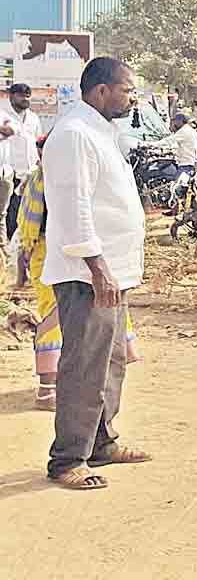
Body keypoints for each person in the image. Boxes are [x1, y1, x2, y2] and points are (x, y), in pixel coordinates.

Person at [41, 57, 150, 490]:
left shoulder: (102, 132)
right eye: (127, 89)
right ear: (101, 90)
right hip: (88, 274)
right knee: (85, 364)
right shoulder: (74, 134)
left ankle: (101, 442)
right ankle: (68, 458)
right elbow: (73, 209)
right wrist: (97, 267)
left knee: (111, 361)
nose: (132, 97)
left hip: (112, 272)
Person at [17, 135, 141, 411]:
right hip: (54, 256)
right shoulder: (45, 180)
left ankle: (78, 386)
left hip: (79, 257)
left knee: (90, 320)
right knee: (55, 319)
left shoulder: (60, 177)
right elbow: (35, 226)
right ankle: (47, 389)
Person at [1, 82, 42, 239]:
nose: (25, 99)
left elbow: (37, 142)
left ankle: (20, 242)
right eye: (21, 96)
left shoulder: (33, 118)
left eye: (27, 96)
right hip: (10, 172)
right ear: (11, 96)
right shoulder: (3, 115)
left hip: (29, 172)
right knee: (9, 213)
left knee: (25, 212)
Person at [144, 112, 197, 179]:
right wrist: (159, 152)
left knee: (178, 188)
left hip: (186, 165)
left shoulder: (184, 130)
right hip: (191, 164)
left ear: (179, 121)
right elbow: (175, 147)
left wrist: (150, 144)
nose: (174, 123)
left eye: (174, 121)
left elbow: (169, 141)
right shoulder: (191, 131)